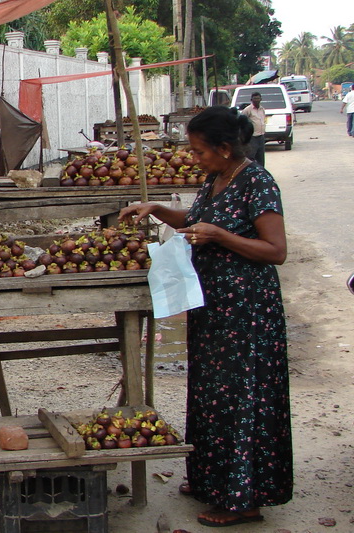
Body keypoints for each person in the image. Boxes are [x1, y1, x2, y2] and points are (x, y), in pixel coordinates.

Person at [119, 106, 292, 528]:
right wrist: (157, 208)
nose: (194, 158)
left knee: (241, 397)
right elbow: (195, 222)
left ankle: (243, 500)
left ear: (225, 147)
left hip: (248, 311)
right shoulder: (217, 179)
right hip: (214, 306)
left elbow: (277, 251)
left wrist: (221, 237)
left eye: (199, 152)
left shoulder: (258, 182)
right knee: (212, 395)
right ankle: (212, 481)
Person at [241, 92, 266, 165]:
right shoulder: (247, 110)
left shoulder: (262, 109)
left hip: (261, 136)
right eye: (254, 99)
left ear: (261, 99)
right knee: (250, 157)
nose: (256, 100)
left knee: (261, 158)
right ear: (251, 100)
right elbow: (242, 122)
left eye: (258, 98)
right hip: (252, 137)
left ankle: (261, 174)